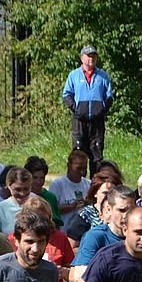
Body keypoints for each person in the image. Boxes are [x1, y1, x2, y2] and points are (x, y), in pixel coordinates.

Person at [62, 45, 114, 175]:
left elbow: (109, 96)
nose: (91, 58)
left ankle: (95, 185)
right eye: (88, 56)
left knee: (96, 154)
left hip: (97, 122)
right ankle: (77, 182)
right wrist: (76, 109)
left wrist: (102, 110)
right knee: (79, 153)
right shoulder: (74, 75)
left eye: (94, 56)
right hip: (79, 121)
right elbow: (66, 95)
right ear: (82, 58)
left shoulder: (103, 76)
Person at [0, 167, 35, 234]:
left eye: (26, 189)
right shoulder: (0, 209)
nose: (22, 193)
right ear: (8, 186)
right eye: (17, 189)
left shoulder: (38, 204)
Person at [24, 155, 62, 226]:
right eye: (35, 178)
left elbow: (56, 223)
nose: (39, 182)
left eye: (42, 178)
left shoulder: (50, 197)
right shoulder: (23, 196)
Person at [50, 149, 90, 215]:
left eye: (84, 168)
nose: (82, 172)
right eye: (78, 168)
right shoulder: (57, 185)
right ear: (69, 166)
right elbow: (52, 209)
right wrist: (71, 206)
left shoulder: (88, 184)